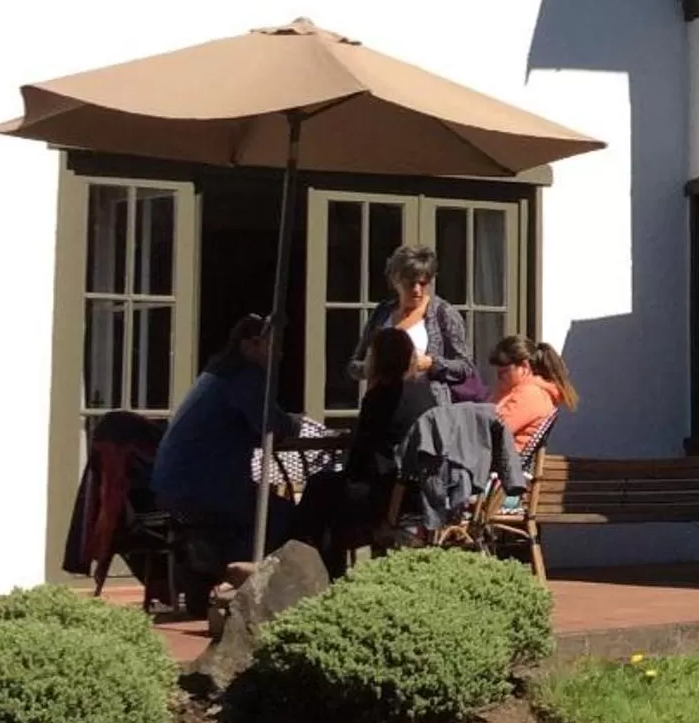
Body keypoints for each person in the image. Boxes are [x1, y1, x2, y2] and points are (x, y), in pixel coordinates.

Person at [151, 315, 293, 598]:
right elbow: (275, 426)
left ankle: (211, 566)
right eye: (272, 346)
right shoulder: (243, 377)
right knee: (281, 512)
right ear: (250, 345)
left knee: (264, 504)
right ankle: (237, 582)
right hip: (202, 487)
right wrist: (296, 423)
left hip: (174, 484)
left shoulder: (216, 375)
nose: (279, 355)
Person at [298, 325, 437, 576]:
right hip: (421, 493)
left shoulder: (380, 398)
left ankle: (323, 573)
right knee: (326, 492)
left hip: (387, 494)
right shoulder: (425, 394)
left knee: (321, 492)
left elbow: (360, 459)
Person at [345, 243, 473, 404]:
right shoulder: (383, 312)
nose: (417, 290)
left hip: (426, 407)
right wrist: (374, 367)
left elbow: (465, 367)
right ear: (395, 280)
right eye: (410, 283)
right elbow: (354, 365)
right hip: (381, 404)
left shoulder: (443, 313)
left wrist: (431, 363)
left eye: (423, 283)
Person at [489, 333, 578, 459]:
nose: (498, 377)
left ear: (524, 367)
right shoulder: (518, 391)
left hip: (500, 467)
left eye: (503, 372)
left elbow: (493, 430)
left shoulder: (532, 395)